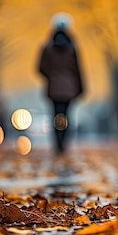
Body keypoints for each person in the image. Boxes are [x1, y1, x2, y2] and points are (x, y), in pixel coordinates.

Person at [38, 16, 84, 154]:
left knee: (56, 115)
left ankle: (57, 142)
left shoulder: (47, 48)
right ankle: (64, 142)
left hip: (53, 87)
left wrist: (51, 77)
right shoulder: (72, 48)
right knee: (66, 115)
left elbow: (40, 68)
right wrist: (80, 86)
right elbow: (78, 69)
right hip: (69, 88)